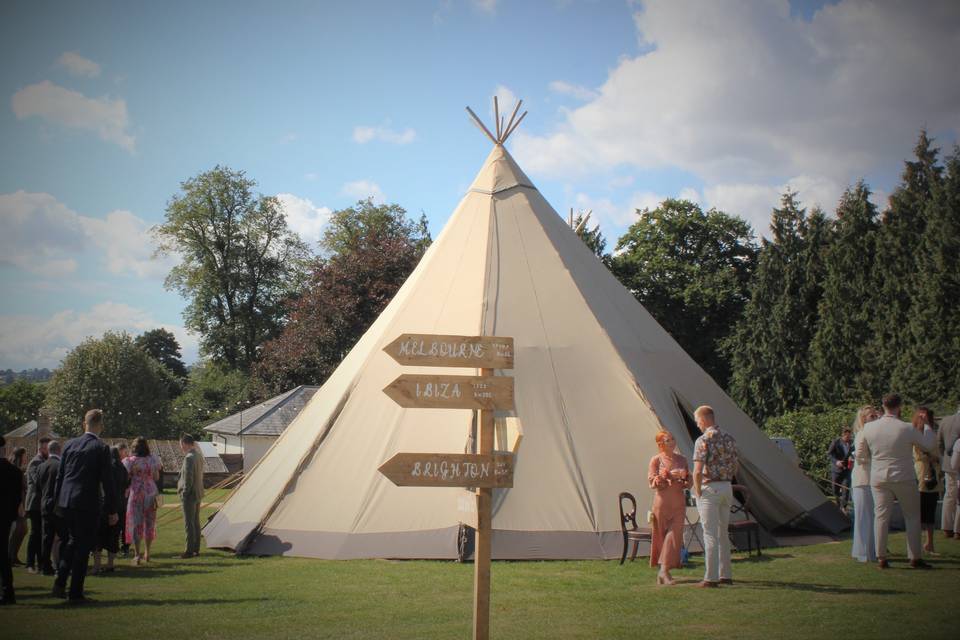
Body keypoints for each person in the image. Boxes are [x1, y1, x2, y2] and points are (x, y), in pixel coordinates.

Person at [856, 393, 936, 569]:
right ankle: (914, 557)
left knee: (881, 517)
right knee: (912, 516)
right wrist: (928, 425)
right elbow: (928, 445)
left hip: (878, 477)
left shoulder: (869, 428)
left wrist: (875, 462)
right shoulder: (906, 428)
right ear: (899, 406)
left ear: (883, 406)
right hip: (904, 476)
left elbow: (860, 454)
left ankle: (881, 557)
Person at [52, 409, 119, 603]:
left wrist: (57, 502)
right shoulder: (100, 448)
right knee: (83, 547)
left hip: (66, 501)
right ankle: (75, 593)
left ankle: (60, 581)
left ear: (84, 424)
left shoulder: (69, 445)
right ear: (101, 426)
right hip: (86, 502)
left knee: (73, 542)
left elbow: (61, 476)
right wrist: (113, 509)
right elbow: (108, 481)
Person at [692, 405, 738, 588]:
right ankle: (725, 574)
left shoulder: (702, 440)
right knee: (722, 533)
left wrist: (697, 490)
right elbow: (736, 466)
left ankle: (710, 578)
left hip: (710, 488)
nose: (697, 425)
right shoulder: (729, 437)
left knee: (709, 534)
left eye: (697, 421)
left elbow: (697, 471)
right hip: (727, 486)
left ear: (703, 420)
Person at [647, 431, 690, 585]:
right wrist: (664, 477)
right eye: (668, 440)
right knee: (662, 537)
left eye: (673, 439)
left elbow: (688, 483)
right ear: (661, 444)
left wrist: (683, 476)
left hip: (678, 502)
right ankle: (664, 572)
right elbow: (652, 482)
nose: (672, 442)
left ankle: (664, 571)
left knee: (674, 535)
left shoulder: (682, 459)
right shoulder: (656, 460)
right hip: (662, 503)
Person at [123, 436, 160, 565]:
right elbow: (156, 477)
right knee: (149, 523)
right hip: (150, 493)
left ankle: (137, 555)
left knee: (136, 524)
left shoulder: (129, 461)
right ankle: (148, 553)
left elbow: (126, 478)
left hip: (136, 493)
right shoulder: (153, 459)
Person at [851, 406, 879, 563]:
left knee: (870, 516)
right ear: (864, 418)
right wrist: (876, 459)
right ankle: (864, 552)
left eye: (875, 415)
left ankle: (868, 549)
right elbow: (860, 456)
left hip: (871, 478)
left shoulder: (871, 433)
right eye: (872, 416)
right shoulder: (862, 433)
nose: (875, 418)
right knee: (864, 517)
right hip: (863, 479)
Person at [93, 446, 128, 574]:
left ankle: (97, 566)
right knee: (113, 536)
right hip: (119, 505)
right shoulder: (122, 468)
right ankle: (110, 564)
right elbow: (126, 485)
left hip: (105, 506)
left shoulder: (106, 469)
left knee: (99, 536)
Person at [912, 407, 941, 555]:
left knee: (930, 510)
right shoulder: (914, 434)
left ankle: (929, 543)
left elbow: (937, 451)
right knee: (919, 511)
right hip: (921, 474)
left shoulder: (933, 434)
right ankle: (917, 544)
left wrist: (937, 459)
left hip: (933, 473)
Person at [0, 436, 24, 605]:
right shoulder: (15, 472)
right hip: (5, 518)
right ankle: (8, 591)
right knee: (3, 554)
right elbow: (17, 499)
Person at [24, 437, 50, 573]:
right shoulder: (35, 462)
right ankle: (30, 563)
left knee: (41, 533)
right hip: (35, 503)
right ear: (41, 449)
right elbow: (37, 481)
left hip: (42, 503)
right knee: (35, 534)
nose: (48, 450)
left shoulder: (45, 461)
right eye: (46, 448)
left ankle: (41, 562)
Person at [37, 440, 63, 575]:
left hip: (44, 504)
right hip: (58, 506)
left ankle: (45, 566)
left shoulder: (42, 466)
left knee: (47, 538)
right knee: (62, 537)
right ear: (59, 450)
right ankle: (61, 565)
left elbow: (38, 486)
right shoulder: (60, 466)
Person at [178, 434, 205, 558]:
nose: (181, 447)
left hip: (189, 495)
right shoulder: (198, 455)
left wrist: (184, 493)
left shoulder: (189, 457)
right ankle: (196, 549)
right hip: (198, 492)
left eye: (181, 444)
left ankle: (189, 551)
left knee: (189, 523)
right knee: (195, 522)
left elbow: (188, 478)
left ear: (184, 443)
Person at [939, 406, 960, 538]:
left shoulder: (945, 420)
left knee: (949, 495)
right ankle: (958, 529)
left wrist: (944, 459)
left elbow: (939, 443)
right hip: (958, 462)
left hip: (948, 463)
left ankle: (946, 527)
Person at [7, 447, 28, 566]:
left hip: (21, 502)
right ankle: (10, 556)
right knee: (18, 530)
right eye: (25, 456)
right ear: (20, 456)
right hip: (17, 504)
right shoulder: (15, 470)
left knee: (22, 530)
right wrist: (20, 505)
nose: (26, 458)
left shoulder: (19, 470)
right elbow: (17, 489)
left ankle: (13, 556)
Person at [827, 428, 854, 510]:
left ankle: (843, 508)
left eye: (850, 437)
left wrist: (852, 459)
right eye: (847, 437)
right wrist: (836, 462)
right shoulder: (836, 442)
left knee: (846, 489)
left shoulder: (852, 443)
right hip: (836, 470)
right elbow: (829, 454)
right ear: (843, 435)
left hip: (847, 470)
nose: (848, 439)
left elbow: (854, 453)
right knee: (835, 489)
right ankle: (838, 505)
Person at [116, 442, 131, 557]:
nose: (127, 454)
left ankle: (124, 546)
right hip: (120, 497)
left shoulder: (124, 463)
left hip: (124, 497)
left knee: (124, 523)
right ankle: (120, 546)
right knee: (120, 523)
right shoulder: (120, 465)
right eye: (125, 452)